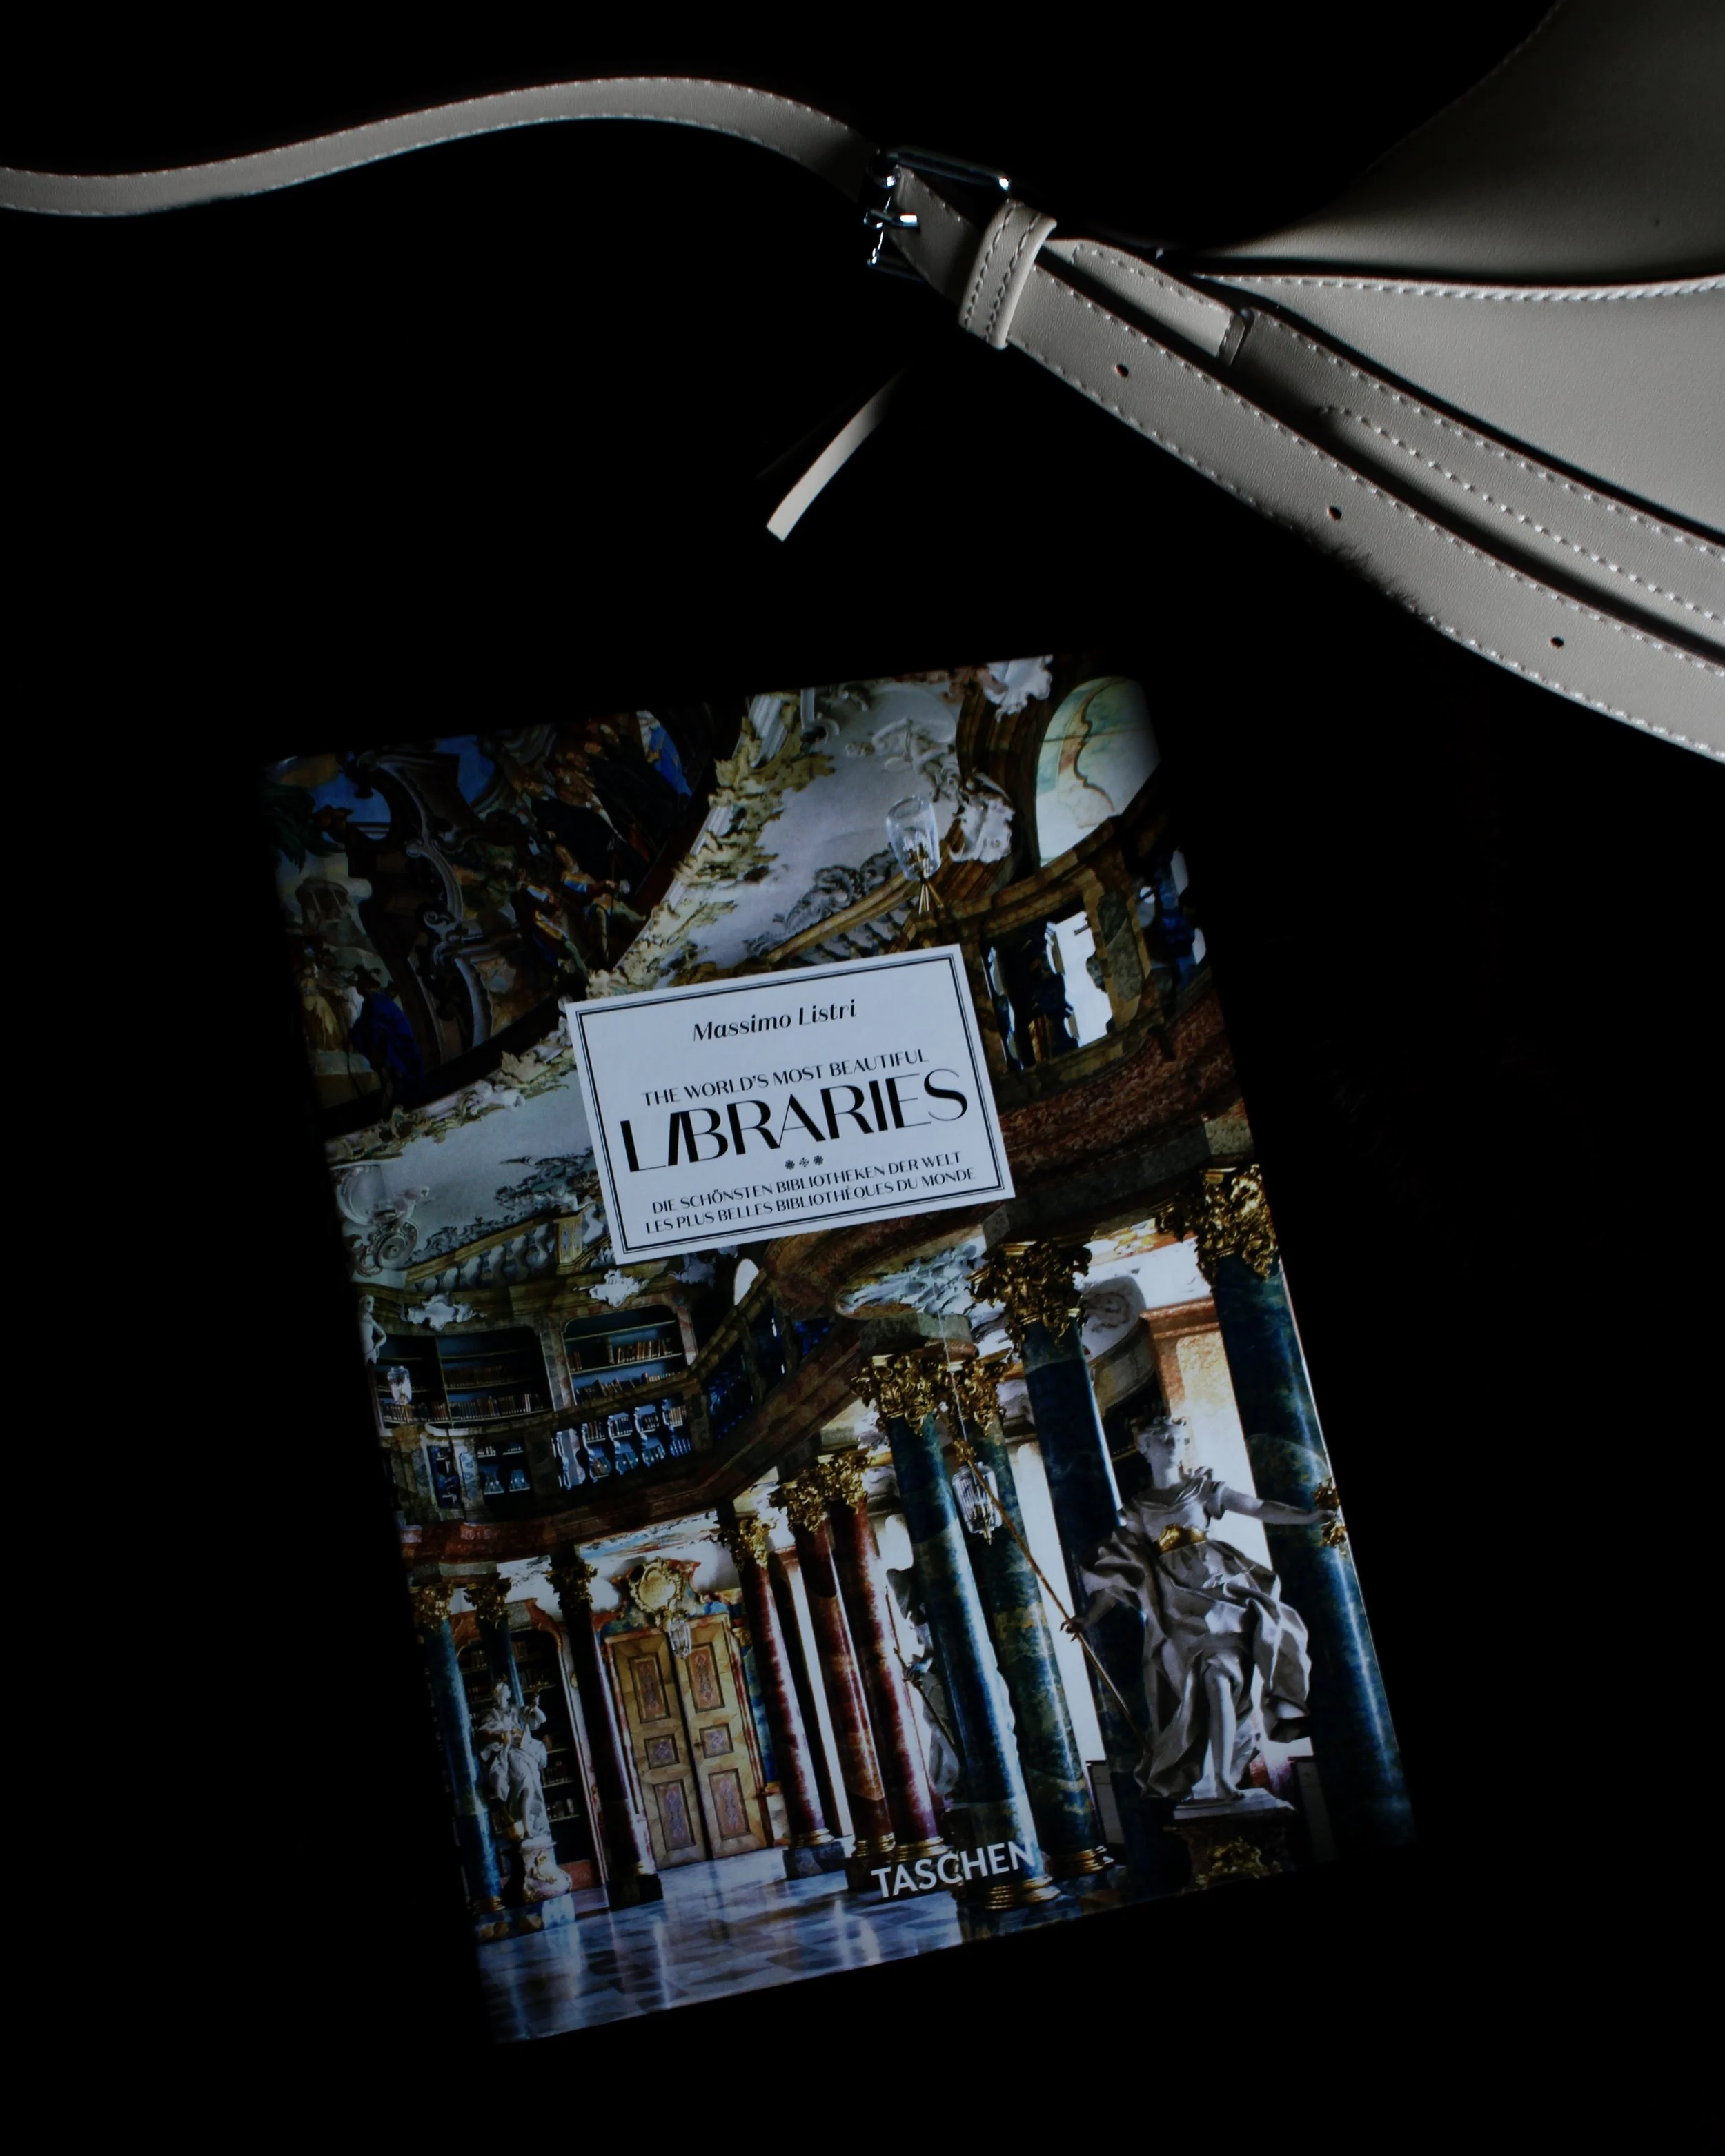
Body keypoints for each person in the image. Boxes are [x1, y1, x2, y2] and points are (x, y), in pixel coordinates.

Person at [1065, 1415, 1335, 1806]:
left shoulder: (1203, 1489)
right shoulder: (1138, 1509)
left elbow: (1259, 1507)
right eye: (1166, 1440)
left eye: (1179, 1440)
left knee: (1221, 1679)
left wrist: (1307, 1517)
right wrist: (1089, 1617)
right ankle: (1208, 1776)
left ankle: (1224, 1777)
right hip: (1174, 1608)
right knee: (1197, 1693)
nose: (1174, 1446)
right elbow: (1125, 1574)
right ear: (1146, 1448)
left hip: (1220, 1593)